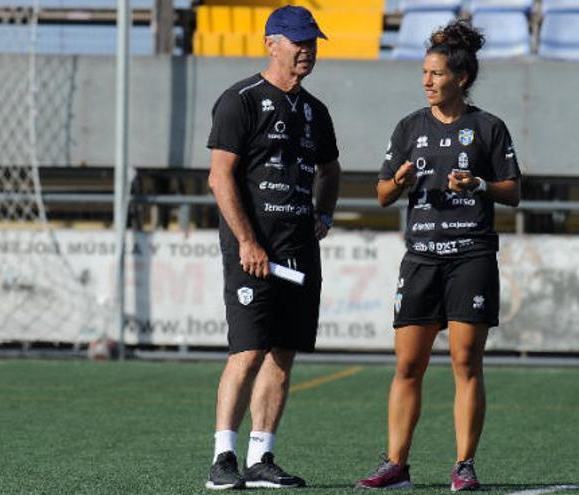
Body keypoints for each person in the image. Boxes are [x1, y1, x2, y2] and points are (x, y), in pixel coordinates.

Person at [355, 20, 521, 491]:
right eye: (424, 73)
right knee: (408, 365)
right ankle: (395, 464)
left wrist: (481, 185)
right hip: (422, 259)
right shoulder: (409, 127)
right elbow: (383, 193)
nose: (427, 81)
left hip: (471, 255)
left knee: (465, 362)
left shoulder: (488, 128)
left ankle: (464, 465)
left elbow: (514, 190)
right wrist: (400, 182)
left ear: (461, 79)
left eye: (436, 74)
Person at [204, 5, 341, 490]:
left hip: (299, 250)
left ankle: (262, 457)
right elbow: (219, 177)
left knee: (283, 353)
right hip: (251, 252)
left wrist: (323, 214)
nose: (308, 49)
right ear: (271, 43)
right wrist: (246, 240)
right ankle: (224, 457)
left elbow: (330, 169)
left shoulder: (315, 111)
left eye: (313, 41)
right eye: (299, 41)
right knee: (247, 350)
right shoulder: (239, 100)